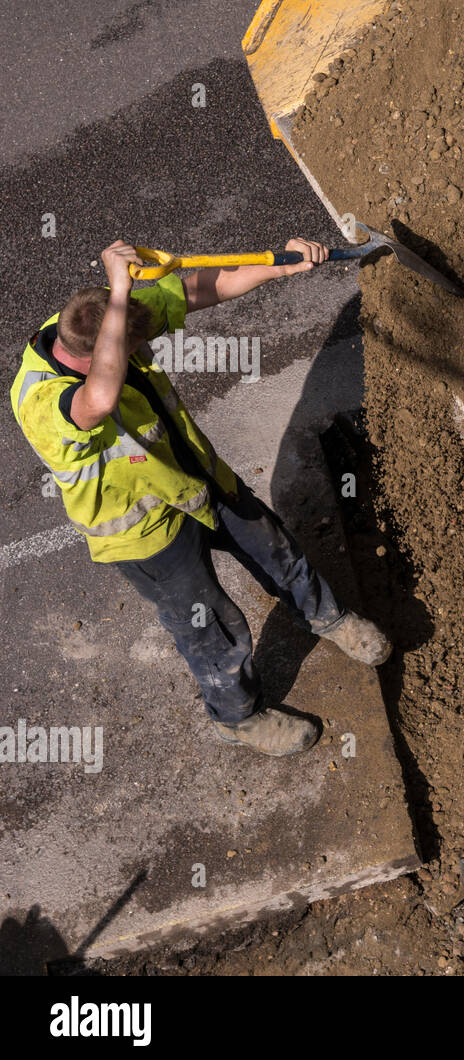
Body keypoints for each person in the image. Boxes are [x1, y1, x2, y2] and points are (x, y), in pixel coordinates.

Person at [11, 239, 391, 757]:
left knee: (275, 548)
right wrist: (121, 290)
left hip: (196, 480)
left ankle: (330, 619)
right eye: (130, 349)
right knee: (212, 627)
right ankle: (238, 718)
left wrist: (280, 268)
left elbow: (195, 288)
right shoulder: (40, 402)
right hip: (147, 537)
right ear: (102, 352)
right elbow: (97, 400)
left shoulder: (89, 316)